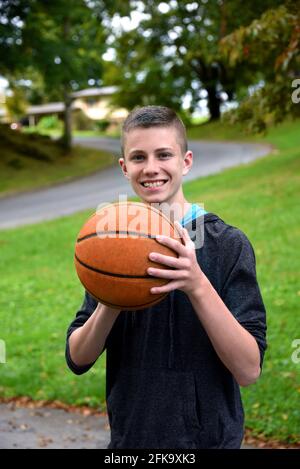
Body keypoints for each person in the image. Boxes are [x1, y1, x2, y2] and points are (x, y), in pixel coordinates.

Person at [65, 106, 267, 449]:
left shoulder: (227, 244)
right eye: (139, 157)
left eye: (164, 154)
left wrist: (196, 284)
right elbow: (78, 358)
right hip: (130, 441)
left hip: (208, 442)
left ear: (185, 161)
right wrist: (112, 300)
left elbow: (248, 370)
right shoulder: (109, 244)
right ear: (124, 167)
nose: (151, 168)